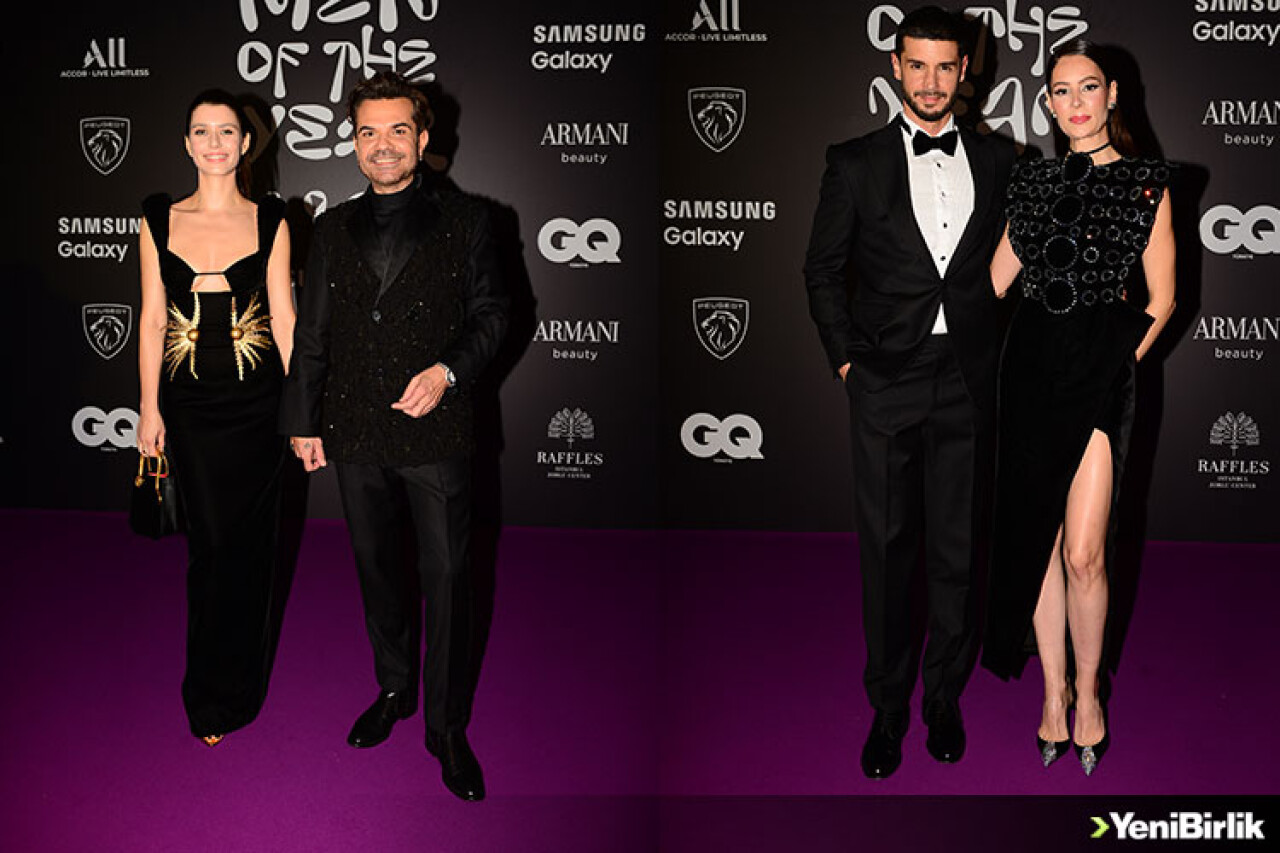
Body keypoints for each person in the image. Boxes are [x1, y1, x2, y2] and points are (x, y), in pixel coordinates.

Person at [279, 71, 507, 802]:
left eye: (398, 130)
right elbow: (313, 334)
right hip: (355, 427)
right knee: (378, 571)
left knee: (448, 578)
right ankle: (393, 688)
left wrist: (447, 371)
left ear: (423, 137)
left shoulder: (471, 220)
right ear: (354, 142)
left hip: (435, 427)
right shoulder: (330, 227)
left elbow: (495, 316)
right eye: (368, 132)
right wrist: (303, 419)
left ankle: (446, 726)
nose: (383, 145)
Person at [803, 6, 1017, 779]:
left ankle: (943, 698)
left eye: (944, 67)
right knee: (889, 555)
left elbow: (1016, 265)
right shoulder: (854, 162)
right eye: (916, 65)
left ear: (966, 72)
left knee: (957, 550)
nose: (930, 82)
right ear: (895, 66)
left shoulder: (1001, 160)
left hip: (967, 378)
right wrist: (848, 366)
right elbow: (821, 270)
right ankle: (888, 706)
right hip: (886, 379)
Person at [981, 39, 1176, 776]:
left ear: (1112, 93)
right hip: (1028, 371)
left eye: (1088, 87)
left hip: (1096, 375)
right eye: (1060, 92)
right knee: (1037, 538)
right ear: (1049, 104)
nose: (1075, 103)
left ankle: (1090, 692)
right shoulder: (1031, 182)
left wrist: (1115, 366)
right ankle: (1053, 693)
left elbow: (1163, 299)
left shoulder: (1145, 184)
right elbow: (996, 280)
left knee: (1084, 552)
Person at [136, 89, 294, 746]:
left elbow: (284, 319)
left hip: (260, 407)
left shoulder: (272, 219)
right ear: (186, 143)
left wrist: (302, 413)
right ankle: (206, 690)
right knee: (209, 547)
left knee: (252, 548)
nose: (214, 143)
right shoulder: (157, 218)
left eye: (226, 131)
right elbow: (150, 320)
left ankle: (240, 687)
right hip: (191, 409)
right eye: (201, 131)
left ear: (245, 143)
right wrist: (148, 407)